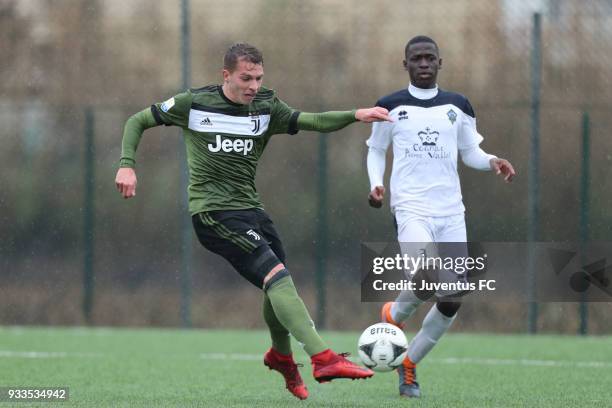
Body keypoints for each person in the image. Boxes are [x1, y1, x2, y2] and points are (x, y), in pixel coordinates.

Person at [115, 43, 390, 400]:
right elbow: (137, 120)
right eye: (246, 78)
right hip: (213, 214)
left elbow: (314, 121)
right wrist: (126, 164)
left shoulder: (266, 108)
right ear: (226, 75)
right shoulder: (193, 103)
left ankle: (281, 356)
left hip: (252, 211)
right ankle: (323, 358)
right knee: (277, 277)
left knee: (276, 284)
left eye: (259, 78)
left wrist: (356, 114)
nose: (253, 86)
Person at [366, 35, 515, 398]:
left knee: (452, 299)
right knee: (427, 277)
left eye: (429, 58)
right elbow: (375, 150)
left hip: (451, 211)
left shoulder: (458, 105)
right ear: (405, 64)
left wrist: (492, 160)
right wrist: (375, 184)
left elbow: (470, 152)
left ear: (439, 62)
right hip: (411, 206)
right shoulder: (389, 106)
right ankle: (393, 316)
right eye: (416, 59)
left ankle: (410, 364)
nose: (423, 64)